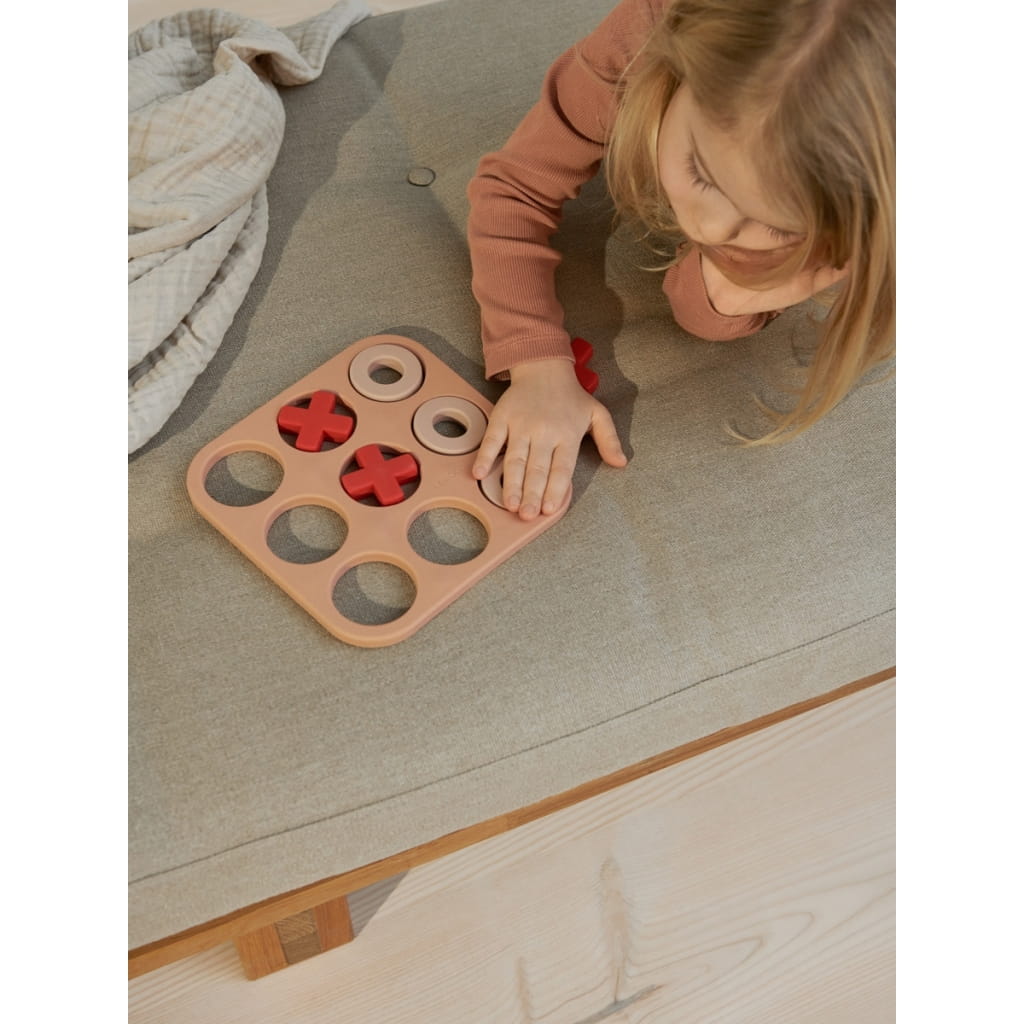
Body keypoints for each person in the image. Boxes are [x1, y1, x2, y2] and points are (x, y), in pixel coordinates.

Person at [467, 0, 895, 521]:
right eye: (702, 171)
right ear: (676, 66)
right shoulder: (647, 35)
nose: (709, 228)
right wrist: (537, 365)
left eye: (779, 226)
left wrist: (775, 279)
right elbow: (515, 188)